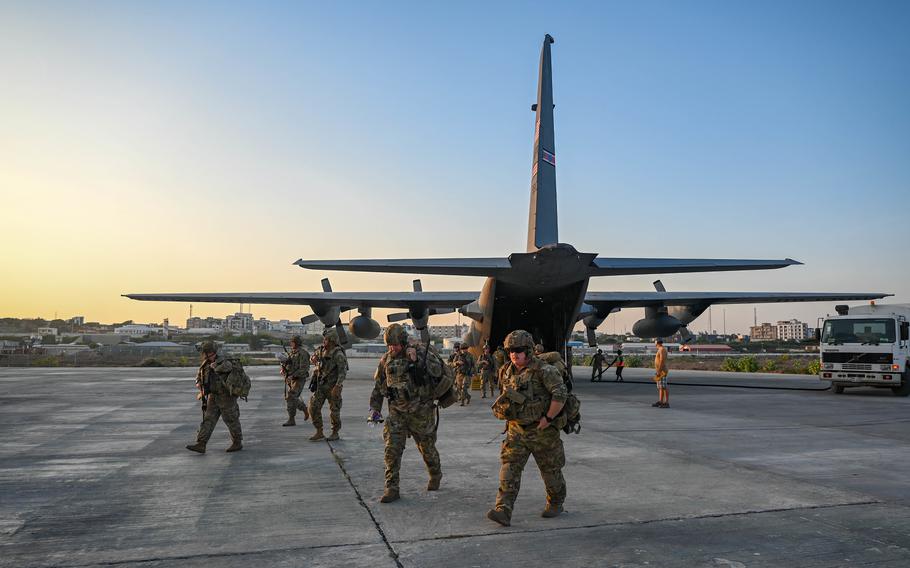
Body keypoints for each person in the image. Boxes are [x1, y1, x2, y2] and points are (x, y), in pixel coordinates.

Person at [487, 330, 568, 527]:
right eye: (511, 350)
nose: (514, 354)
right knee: (509, 469)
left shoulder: (544, 370)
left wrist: (548, 418)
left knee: (550, 471)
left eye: (519, 350)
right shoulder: (506, 370)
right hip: (517, 430)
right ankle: (503, 509)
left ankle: (556, 502)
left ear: (529, 350)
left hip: (542, 431)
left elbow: (560, 394)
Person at [369, 324, 445, 503]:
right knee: (391, 451)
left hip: (420, 412)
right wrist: (374, 409)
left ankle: (435, 474)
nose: (392, 348)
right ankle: (392, 487)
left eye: (395, 345)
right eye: (389, 345)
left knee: (427, 450)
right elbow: (379, 387)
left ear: (403, 342)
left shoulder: (419, 354)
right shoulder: (386, 360)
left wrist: (418, 359)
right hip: (397, 413)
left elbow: (437, 371)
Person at [186, 341, 243, 453]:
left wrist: (216, 366)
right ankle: (201, 444)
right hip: (213, 396)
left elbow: (228, 367)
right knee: (208, 420)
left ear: (213, 352)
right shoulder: (205, 364)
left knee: (231, 419)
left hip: (226, 397)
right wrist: (198, 383)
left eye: (208, 352)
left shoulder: (224, 361)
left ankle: (237, 442)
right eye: (205, 353)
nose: (206, 355)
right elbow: (199, 376)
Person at [308, 328, 348, 441]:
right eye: (324, 339)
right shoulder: (320, 350)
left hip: (333, 387)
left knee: (334, 411)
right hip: (320, 385)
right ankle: (319, 431)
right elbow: (313, 358)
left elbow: (342, 372)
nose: (324, 342)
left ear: (332, 341)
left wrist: (337, 386)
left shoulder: (338, 354)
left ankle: (335, 432)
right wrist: (313, 359)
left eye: (326, 340)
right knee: (313, 407)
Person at [281, 335, 311, 426]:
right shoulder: (292, 353)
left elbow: (304, 368)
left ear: (297, 343)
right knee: (290, 398)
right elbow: (290, 365)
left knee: (291, 397)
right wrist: (284, 368)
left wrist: (293, 375)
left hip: (299, 379)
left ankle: (303, 410)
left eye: (292, 342)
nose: (291, 343)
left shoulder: (303, 353)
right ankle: (292, 419)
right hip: (290, 378)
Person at [652, 339, 669, 408]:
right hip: (660, 370)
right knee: (660, 387)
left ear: (657, 342)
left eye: (655, 342)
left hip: (662, 371)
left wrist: (659, 371)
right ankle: (660, 401)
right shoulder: (660, 349)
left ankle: (666, 402)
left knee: (664, 387)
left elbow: (662, 360)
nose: (654, 343)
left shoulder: (662, 349)